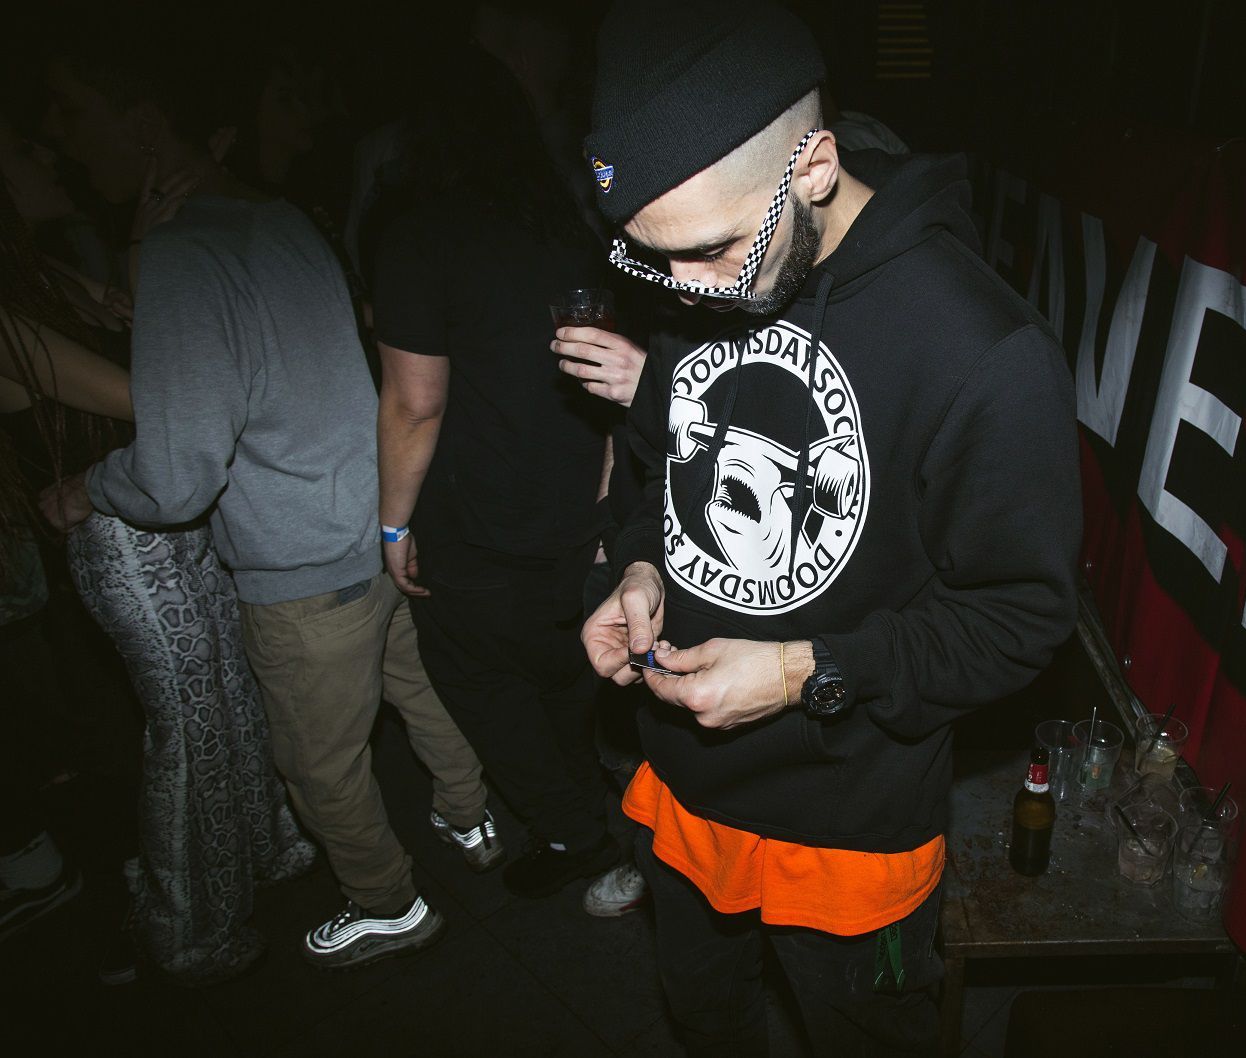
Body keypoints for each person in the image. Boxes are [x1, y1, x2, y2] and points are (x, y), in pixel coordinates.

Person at [578, 3, 1082, 1054]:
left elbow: (1018, 618)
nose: (683, 294)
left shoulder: (984, 350)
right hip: (683, 790)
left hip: (852, 835)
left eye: (711, 251)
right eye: (652, 261)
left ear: (811, 168)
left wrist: (802, 671)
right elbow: (655, 474)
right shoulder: (695, 274)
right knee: (706, 1018)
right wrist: (635, 572)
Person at [37, 30, 497, 971]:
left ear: (144, 125)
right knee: (423, 695)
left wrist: (89, 486)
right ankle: (473, 819)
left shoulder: (187, 254)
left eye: (75, 115)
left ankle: (388, 903)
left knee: (320, 766)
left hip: (300, 570)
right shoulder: (280, 217)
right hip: (376, 529)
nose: (59, 140)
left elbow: (177, 477)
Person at [2, 105, 317, 984]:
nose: (47, 152)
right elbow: (157, 391)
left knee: (232, 697)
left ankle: (258, 852)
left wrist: (143, 259)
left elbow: (161, 353)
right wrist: (154, 257)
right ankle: (187, 928)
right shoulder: (9, 312)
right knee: (187, 730)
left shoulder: (48, 277)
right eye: (21, 147)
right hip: (120, 542)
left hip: (171, 519)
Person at [373, 45, 641, 909]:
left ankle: (573, 833)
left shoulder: (421, 236)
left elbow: (414, 404)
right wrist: (605, 496)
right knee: (565, 667)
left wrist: (391, 525)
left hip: (478, 522)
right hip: (573, 504)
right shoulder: (571, 230)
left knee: (479, 680)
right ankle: (597, 810)